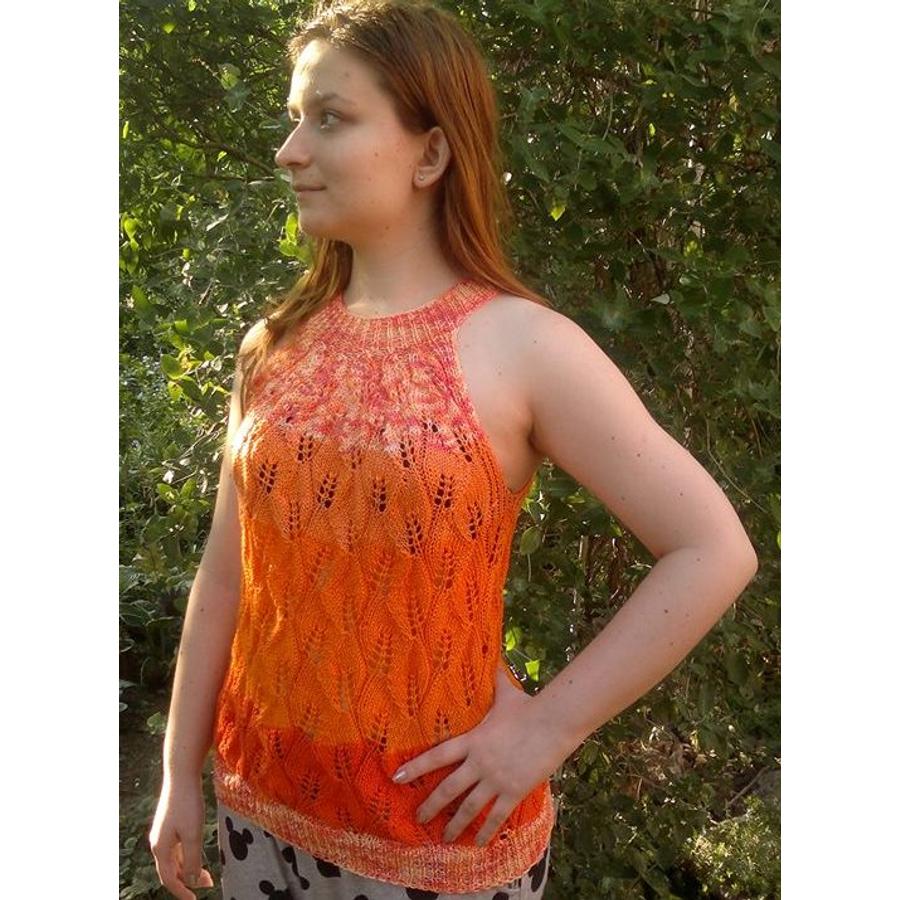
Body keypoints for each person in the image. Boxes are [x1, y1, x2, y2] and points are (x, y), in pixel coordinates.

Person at [149, 1, 759, 898]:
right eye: (294, 119)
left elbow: (713, 549)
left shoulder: (526, 346)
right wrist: (178, 771)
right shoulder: (274, 345)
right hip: (260, 814)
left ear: (430, 153)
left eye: (330, 118)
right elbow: (227, 576)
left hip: (440, 840)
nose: (289, 151)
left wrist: (546, 730)